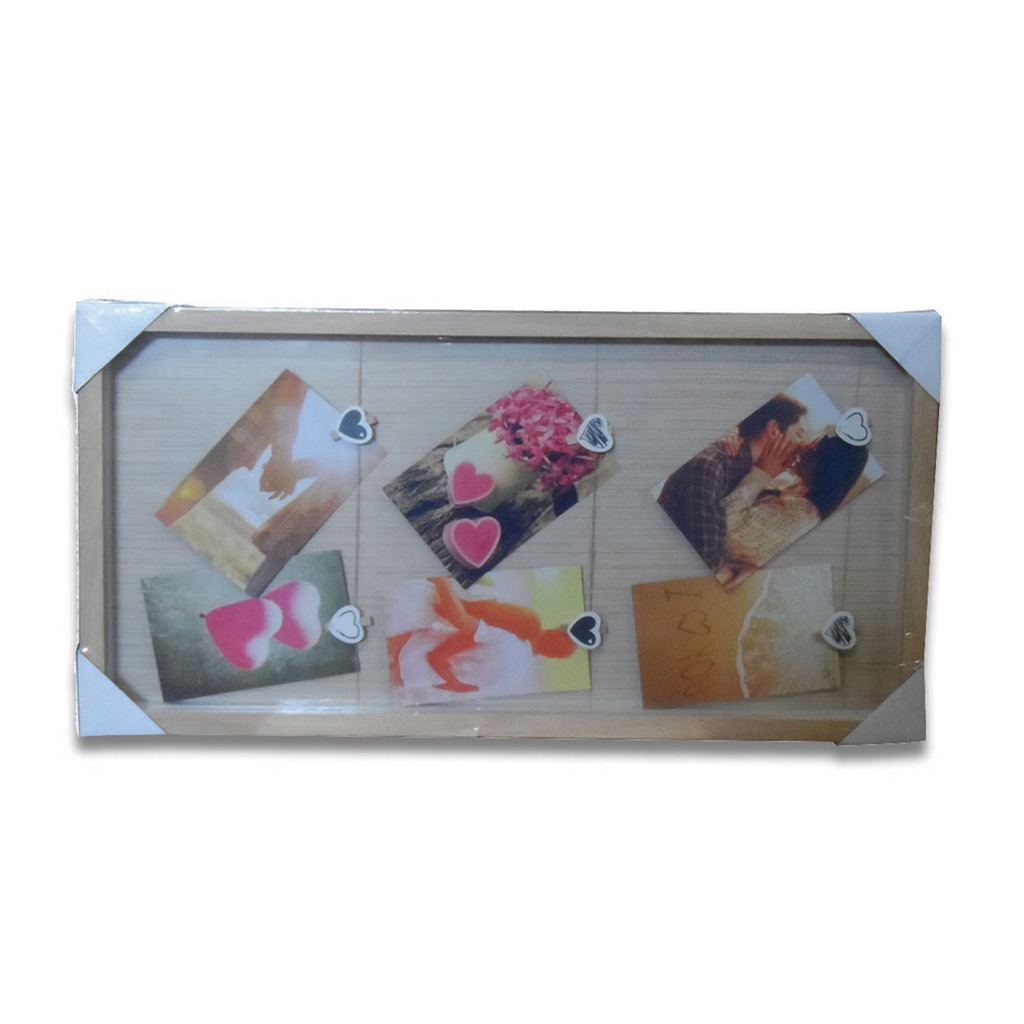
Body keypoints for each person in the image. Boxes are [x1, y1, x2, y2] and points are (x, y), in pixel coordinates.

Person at [657, 394, 808, 572]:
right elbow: (710, 563)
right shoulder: (711, 467)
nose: (802, 444)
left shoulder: (754, 471)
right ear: (774, 430)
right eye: (799, 433)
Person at [716, 432, 870, 588]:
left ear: (826, 466)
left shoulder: (800, 517)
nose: (803, 445)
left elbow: (721, 526)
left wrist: (763, 472)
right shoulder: (793, 488)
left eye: (813, 448)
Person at [387, 577, 577, 699]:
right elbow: (458, 687)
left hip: (406, 650)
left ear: (554, 632)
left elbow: (456, 621)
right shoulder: (515, 676)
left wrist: (440, 580)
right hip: (410, 680)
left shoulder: (503, 638)